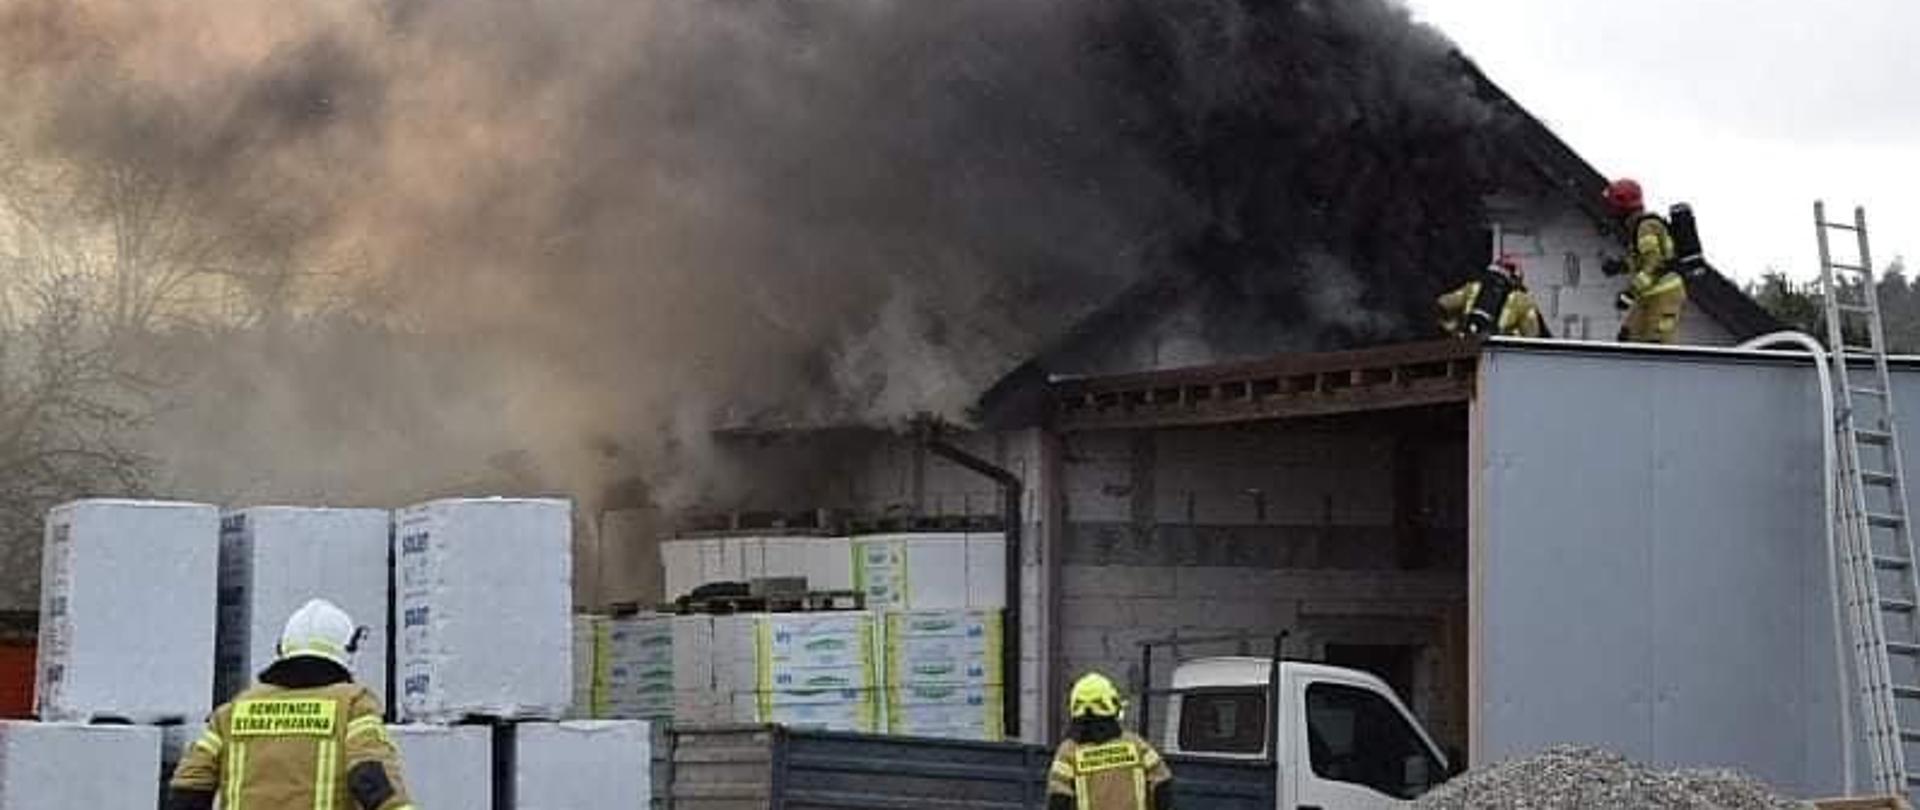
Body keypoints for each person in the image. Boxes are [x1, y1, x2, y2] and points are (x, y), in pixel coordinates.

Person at [167, 599, 414, 810]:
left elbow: (189, 787)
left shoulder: (232, 712)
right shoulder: (352, 705)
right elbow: (371, 778)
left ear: (282, 648)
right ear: (347, 650)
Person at [1047, 672, 1174, 810]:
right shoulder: (1135, 745)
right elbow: (1162, 783)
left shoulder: (1069, 752)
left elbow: (1059, 799)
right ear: (1111, 704)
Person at [1602, 178, 1686, 343]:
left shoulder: (1645, 227)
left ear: (1621, 206)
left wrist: (1629, 294)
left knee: (1654, 347)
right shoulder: (1639, 226)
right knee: (1627, 338)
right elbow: (1643, 260)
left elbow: (1653, 265)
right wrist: (1620, 266)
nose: (1609, 212)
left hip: (1664, 296)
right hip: (1649, 295)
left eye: (1611, 207)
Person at [1435, 254, 1545, 338]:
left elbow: (1442, 303)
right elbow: (1532, 335)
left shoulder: (1473, 288)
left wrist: (1453, 327)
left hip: (1468, 346)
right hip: (1500, 353)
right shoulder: (1523, 300)